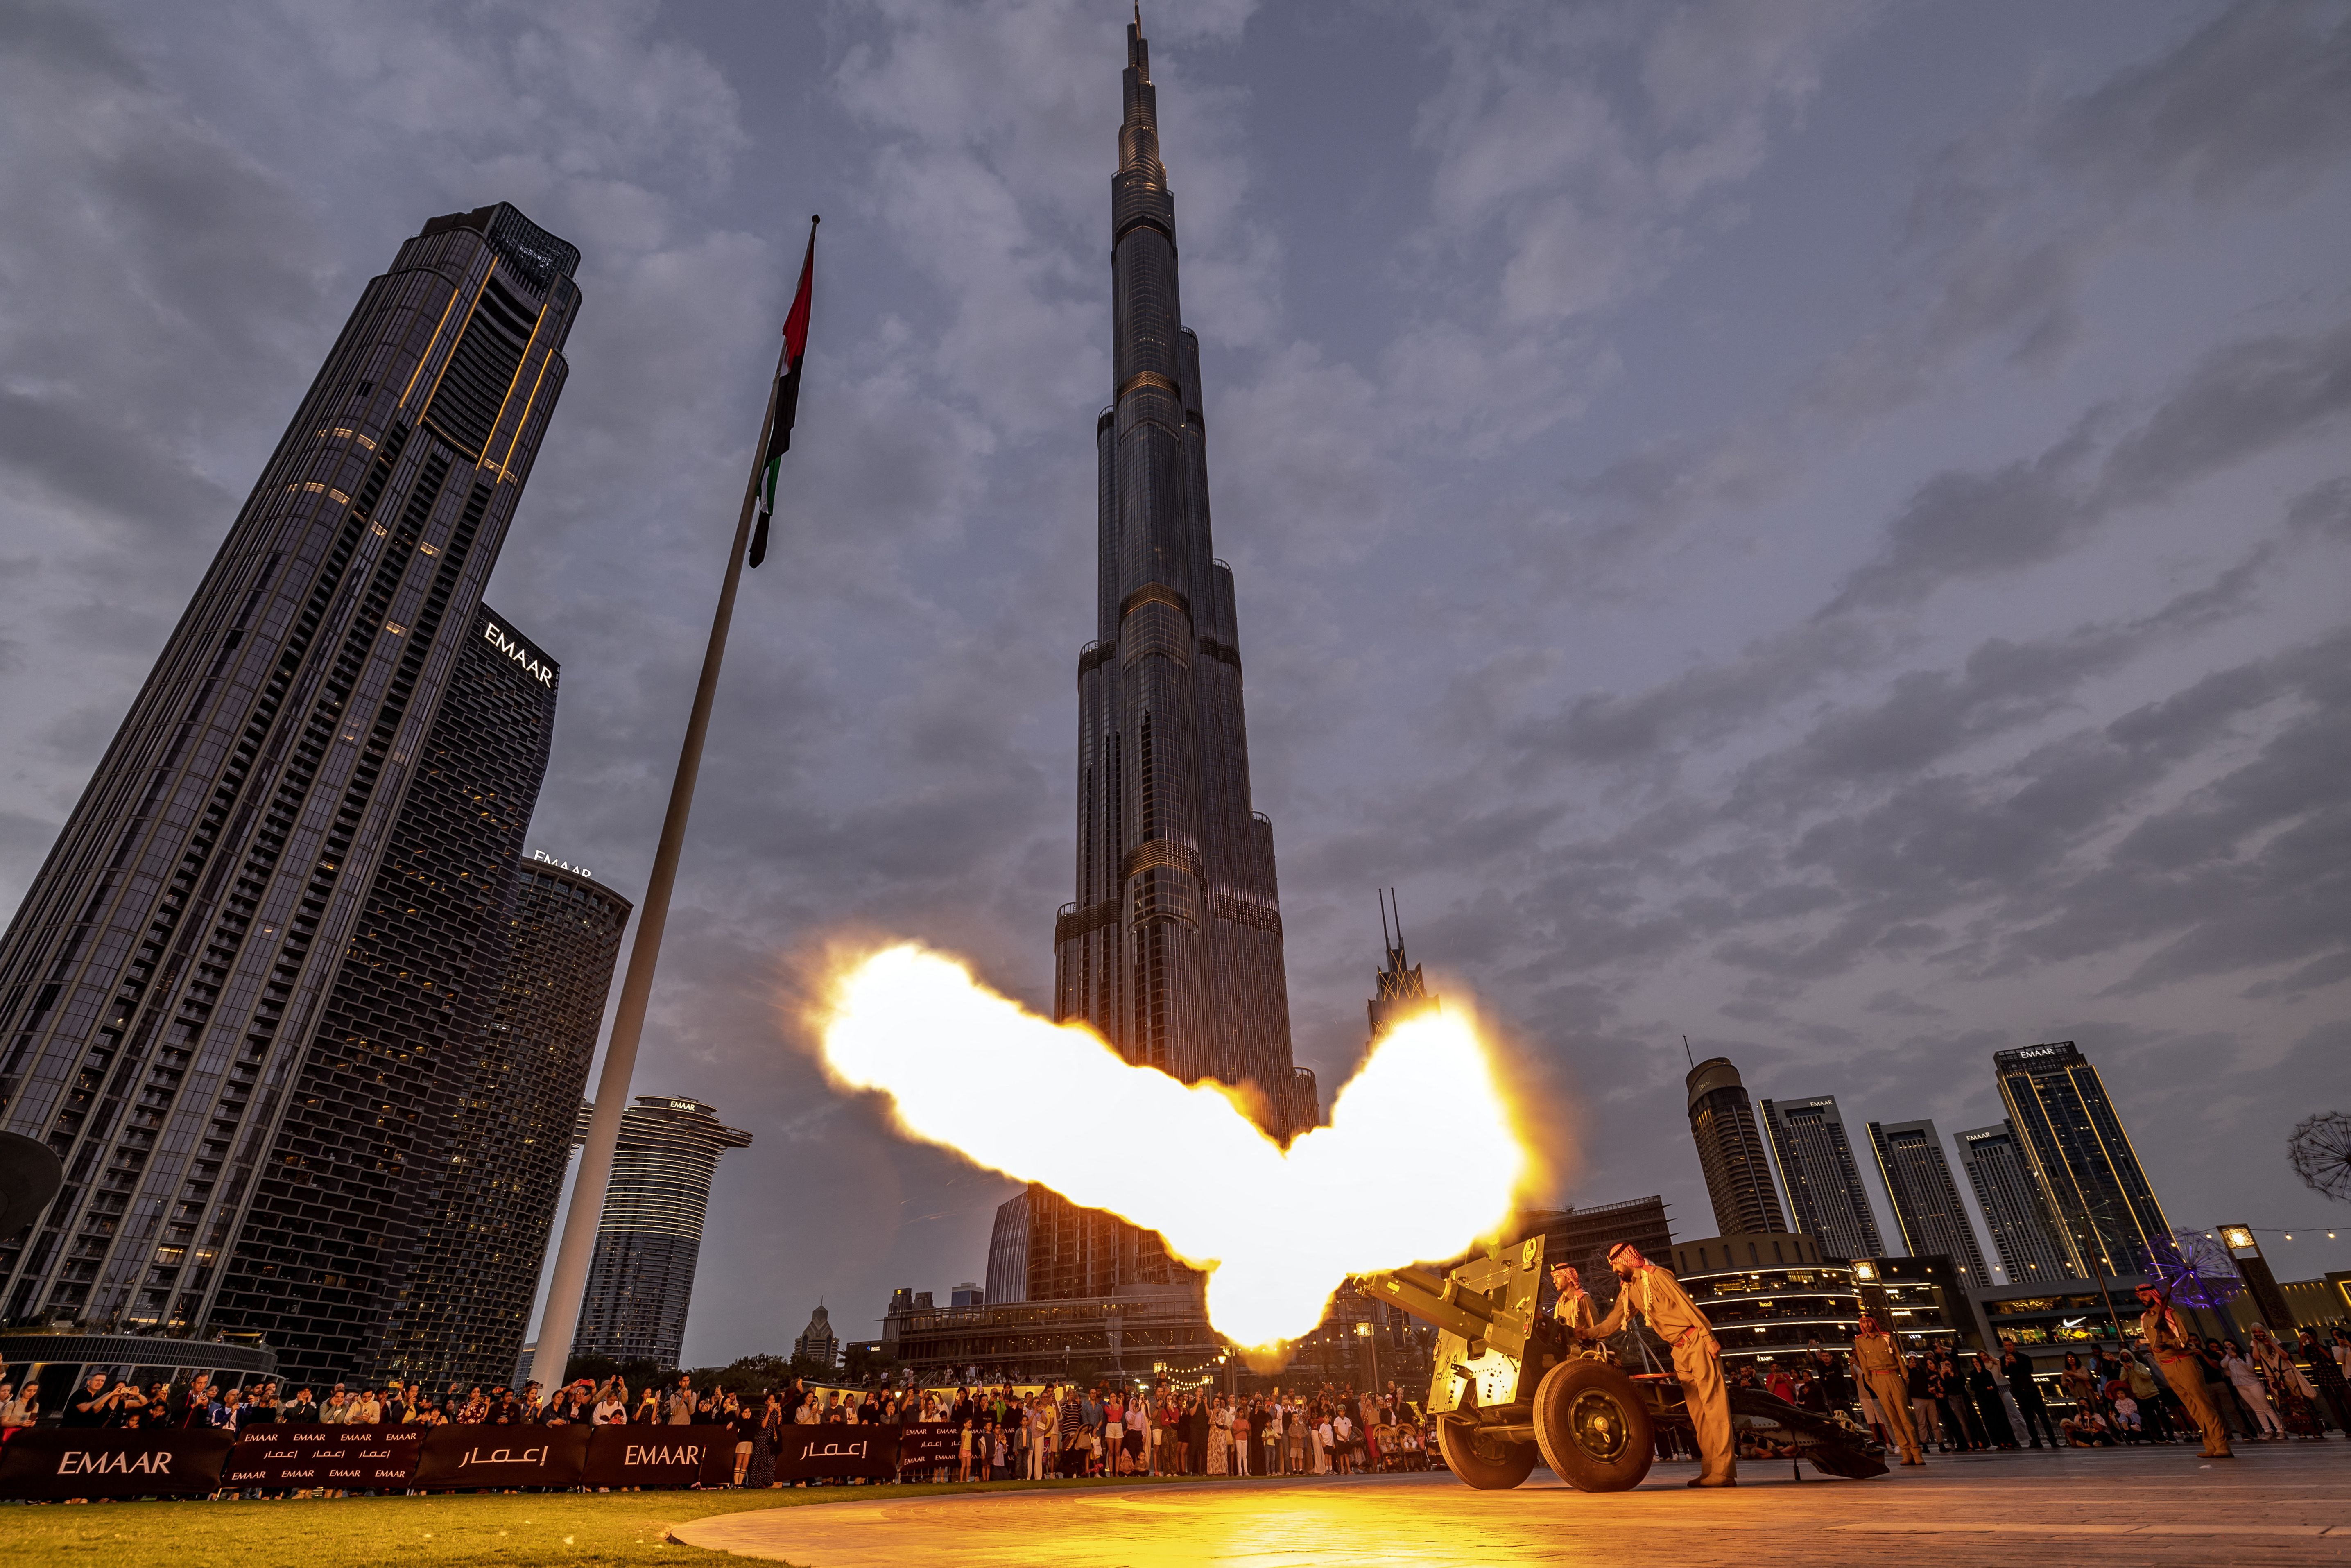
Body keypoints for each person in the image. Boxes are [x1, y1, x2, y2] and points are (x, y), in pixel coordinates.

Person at [2136, 1282, 2231, 1457]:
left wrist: (2166, 1345)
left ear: (2153, 1294)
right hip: (2166, 1365)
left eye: (2145, 1295)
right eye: (2140, 1296)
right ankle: (2210, 1445)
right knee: (2192, 1408)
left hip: (2183, 1362)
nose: (2142, 1298)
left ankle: (2222, 1445)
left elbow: (2185, 1341)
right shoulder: (2145, 1319)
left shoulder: (2171, 1315)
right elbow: (2150, 1341)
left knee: (2203, 1404)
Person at [1850, 1313, 1922, 1465]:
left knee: (1904, 1415)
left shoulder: (1886, 1337)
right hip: (1877, 1379)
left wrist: (1904, 1377)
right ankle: (1905, 1452)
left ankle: (1917, 1452)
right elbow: (1864, 1364)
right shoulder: (1860, 1341)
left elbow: (1898, 1357)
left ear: (1873, 1322)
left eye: (1868, 1322)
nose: (1866, 1325)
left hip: (1893, 1375)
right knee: (1892, 1418)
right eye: (1863, 1322)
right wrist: (1872, 1384)